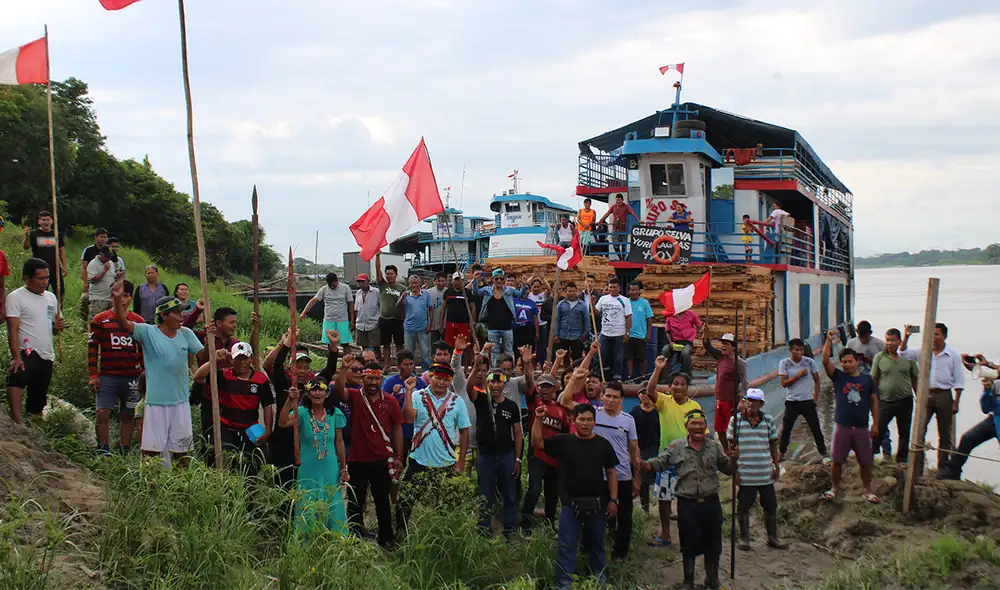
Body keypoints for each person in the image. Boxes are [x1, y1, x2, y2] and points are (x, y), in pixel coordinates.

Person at [640, 411, 733, 590]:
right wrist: (644, 464)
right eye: (694, 424)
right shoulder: (676, 447)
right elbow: (660, 462)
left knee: (713, 542)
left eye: (701, 424)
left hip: (711, 502)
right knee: (688, 543)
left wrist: (734, 459)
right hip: (687, 504)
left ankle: (712, 577)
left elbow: (728, 469)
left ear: (705, 426)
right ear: (686, 426)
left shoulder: (714, 447)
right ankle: (688, 580)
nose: (698, 427)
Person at [111, 281, 203, 462]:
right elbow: (123, 323)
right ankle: (151, 480)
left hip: (181, 402)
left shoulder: (186, 334)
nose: (182, 316)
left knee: (182, 453)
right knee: (151, 452)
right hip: (156, 403)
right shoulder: (148, 332)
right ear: (164, 315)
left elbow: (204, 355)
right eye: (177, 313)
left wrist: (215, 350)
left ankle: (182, 481)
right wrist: (117, 300)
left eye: (182, 312)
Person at [531, 398, 618, 590]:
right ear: (573, 420)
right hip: (570, 504)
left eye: (589, 420)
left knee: (597, 545)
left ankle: (598, 581)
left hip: (598, 503)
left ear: (594, 422)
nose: (585, 424)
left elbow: (611, 472)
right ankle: (564, 584)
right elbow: (538, 443)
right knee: (566, 545)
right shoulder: (564, 442)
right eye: (581, 419)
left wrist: (613, 499)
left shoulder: (603, 445)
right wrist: (538, 419)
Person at [559, 372, 639, 561]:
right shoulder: (593, 414)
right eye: (608, 396)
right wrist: (574, 378)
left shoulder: (628, 420)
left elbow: (634, 450)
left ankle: (620, 554)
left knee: (624, 517)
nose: (611, 400)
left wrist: (637, 478)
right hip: (598, 476)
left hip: (623, 475)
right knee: (594, 516)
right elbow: (565, 400)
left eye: (615, 397)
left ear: (622, 400)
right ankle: (590, 551)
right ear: (602, 396)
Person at [334, 351, 403, 548]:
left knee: (382, 501)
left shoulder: (390, 401)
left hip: (382, 459)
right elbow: (339, 391)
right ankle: (355, 536)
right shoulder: (355, 396)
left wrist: (398, 455)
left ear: (381, 380)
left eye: (377, 379)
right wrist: (343, 369)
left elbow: (397, 428)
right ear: (362, 379)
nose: (373, 382)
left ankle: (386, 537)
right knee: (355, 501)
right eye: (369, 378)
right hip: (358, 459)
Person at [262, 328, 337, 488]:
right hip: (282, 442)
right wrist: (287, 343)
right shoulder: (283, 383)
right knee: (282, 485)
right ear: (290, 368)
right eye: (298, 366)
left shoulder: (313, 388)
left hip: (305, 444)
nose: (301, 371)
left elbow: (329, 370)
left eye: (305, 367)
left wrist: (333, 347)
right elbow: (276, 364)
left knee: (304, 486)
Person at [399, 362, 471, 528]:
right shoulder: (417, 396)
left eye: (445, 379)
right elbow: (408, 419)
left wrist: (460, 461)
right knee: (405, 502)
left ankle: (443, 537)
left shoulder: (457, 401)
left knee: (447, 507)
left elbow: (464, 432)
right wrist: (408, 392)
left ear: (450, 381)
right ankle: (401, 535)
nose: (441, 383)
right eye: (437, 378)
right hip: (418, 460)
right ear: (430, 377)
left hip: (446, 463)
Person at [645, 357, 706, 548]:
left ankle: (689, 535)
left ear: (688, 387)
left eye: (682, 384)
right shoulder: (664, 402)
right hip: (667, 458)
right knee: (664, 498)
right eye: (675, 384)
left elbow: (703, 433)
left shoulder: (695, 407)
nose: (679, 387)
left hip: (689, 459)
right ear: (669, 387)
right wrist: (657, 368)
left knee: (688, 499)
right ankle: (665, 534)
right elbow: (649, 391)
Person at [279, 377, 349, 535]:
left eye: (321, 389)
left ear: (327, 393)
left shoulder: (334, 414)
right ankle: (306, 544)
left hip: (330, 468)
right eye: (314, 390)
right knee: (308, 506)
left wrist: (343, 468)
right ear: (308, 394)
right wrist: (289, 400)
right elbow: (282, 423)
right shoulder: (301, 412)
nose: (317, 393)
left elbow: (339, 442)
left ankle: (337, 542)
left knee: (333, 505)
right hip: (308, 469)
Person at [820, 331, 880, 503]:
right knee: (837, 460)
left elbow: (874, 401)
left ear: (857, 362)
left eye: (849, 361)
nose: (846, 365)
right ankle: (835, 488)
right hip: (842, 426)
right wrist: (828, 341)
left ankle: (867, 490)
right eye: (843, 362)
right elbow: (825, 361)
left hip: (861, 427)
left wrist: (876, 423)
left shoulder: (867, 380)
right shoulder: (838, 377)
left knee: (865, 461)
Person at [193, 342, 275, 463]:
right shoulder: (224, 375)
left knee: (252, 462)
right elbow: (198, 377)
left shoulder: (261, 380)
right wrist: (214, 360)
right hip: (227, 427)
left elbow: (267, 405)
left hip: (250, 429)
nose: (242, 362)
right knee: (227, 460)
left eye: (245, 358)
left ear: (251, 358)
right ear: (231, 359)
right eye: (238, 359)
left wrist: (268, 430)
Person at [6, 258, 65, 425]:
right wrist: (16, 357)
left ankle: (34, 425)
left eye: (47, 278)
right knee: (18, 378)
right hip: (26, 349)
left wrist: (58, 326)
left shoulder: (51, 298)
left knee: (38, 396)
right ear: (27, 278)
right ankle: (17, 421)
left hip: (46, 353)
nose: (45, 282)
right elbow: (13, 329)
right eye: (40, 278)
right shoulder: (16, 297)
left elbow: (52, 324)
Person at [88, 280, 144, 453]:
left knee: (128, 415)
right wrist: (93, 375)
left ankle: (124, 450)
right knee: (102, 412)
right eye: (117, 295)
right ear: (111, 297)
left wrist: (144, 375)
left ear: (130, 298)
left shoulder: (138, 321)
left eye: (125, 295)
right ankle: (103, 449)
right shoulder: (100, 319)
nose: (121, 299)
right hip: (108, 375)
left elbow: (142, 351)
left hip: (132, 376)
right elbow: (92, 349)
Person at [727, 388, 786, 551]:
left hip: (764, 471)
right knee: (744, 506)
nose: (751, 403)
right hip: (746, 472)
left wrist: (776, 465)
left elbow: (773, 444)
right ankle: (745, 539)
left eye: (755, 401)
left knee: (770, 505)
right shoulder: (736, 421)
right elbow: (731, 447)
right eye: (748, 400)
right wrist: (735, 470)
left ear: (761, 404)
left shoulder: (768, 420)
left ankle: (772, 537)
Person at [900, 323, 964, 470]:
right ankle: (918, 467)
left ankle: (943, 468)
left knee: (945, 434)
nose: (933, 338)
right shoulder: (923, 351)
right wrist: (906, 337)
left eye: (936, 334)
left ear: (944, 336)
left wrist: (956, 402)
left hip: (944, 394)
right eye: (931, 334)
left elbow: (959, 380)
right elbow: (903, 354)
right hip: (926, 394)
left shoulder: (952, 355)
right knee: (919, 431)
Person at [468, 366, 523, 536]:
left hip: (506, 455)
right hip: (486, 456)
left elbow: (518, 433)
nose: (496, 385)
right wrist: (475, 369)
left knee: (509, 494)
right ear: (488, 382)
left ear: (504, 383)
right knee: (485, 494)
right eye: (492, 381)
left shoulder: (511, 406)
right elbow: (469, 388)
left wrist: (518, 459)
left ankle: (510, 529)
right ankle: (484, 529)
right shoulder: (481, 400)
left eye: (499, 381)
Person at [521, 371, 571, 530]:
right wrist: (527, 365)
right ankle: (525, 523)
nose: (543, 390)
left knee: (552, 493)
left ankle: (550, 523)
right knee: (534, 489)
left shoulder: (561, 410)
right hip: (537, 455)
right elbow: (529, 384)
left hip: (554, 459)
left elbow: (566, 433)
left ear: (554, 389)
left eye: (547, 387)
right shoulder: (535, 403)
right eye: (541, 386)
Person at [938, 354, 999, 480]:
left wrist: (989, 366)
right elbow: (986, 408)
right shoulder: (997, 384)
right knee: (968, 439)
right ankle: (953, 471)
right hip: (995, 418)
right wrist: (987, 390)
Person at [870, 328, 918, 464]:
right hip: (885, 401)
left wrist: (919, 397)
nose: (889, 343)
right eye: (887, 340)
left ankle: (901, 460)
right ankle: (870, 456)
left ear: (899, 341)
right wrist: (873, 400)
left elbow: (915, 379)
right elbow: (874, 380)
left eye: (892, 340)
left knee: (904, 432)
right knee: (878, 429)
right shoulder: (879, 357)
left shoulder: (908, 358)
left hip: (905, 400)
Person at [777, 338, 828, 461]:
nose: (799, 352)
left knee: (816, 429)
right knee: (786, 429)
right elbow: (783, 383)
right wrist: (798, 375)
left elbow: (817, 380)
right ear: (790, 350)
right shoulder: (784, 363)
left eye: (801, 350)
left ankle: (823, 453)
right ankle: (781, 453)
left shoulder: (809, 362)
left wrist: (815, 397)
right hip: (792, 402)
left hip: (807, 401)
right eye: (796, 350)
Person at [702, 327, 748, 451]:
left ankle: (733, 450)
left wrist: (743, 400)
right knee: (719, 429)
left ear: (733, 347)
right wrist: (705, 334)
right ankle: (726, 451)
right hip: (719, 400)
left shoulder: (739, 363)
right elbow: (707, 346)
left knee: (731, 429)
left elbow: (744, 383)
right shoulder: (720, 357)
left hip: (731, 401)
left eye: (726, 344)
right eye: (722, 343)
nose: (723, 346)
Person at [382, 349, 425, 462]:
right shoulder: (390, 383)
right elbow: (382, 404)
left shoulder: (419, 382)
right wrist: (393, 394)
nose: (409, 367)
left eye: (411, 364)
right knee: (399, 461)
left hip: (416, 429)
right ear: (398, 366)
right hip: (398, 430)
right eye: (405, 365)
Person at [474, 268, 519, 366]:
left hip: (507, 327)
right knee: (494, 351)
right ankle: (495, 369)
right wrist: (475, 280)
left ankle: (510, 369)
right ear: (492, 279)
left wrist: (524, 284)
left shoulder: (509, 290)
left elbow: (521, 294)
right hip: (493, 327)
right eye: (496, 279)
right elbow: (476, 293)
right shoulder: (487, 290)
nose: (499, 281)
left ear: (504, 280)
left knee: (509, 350)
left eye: (501, 279)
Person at [22, 211, 67, 302]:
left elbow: (61, 251)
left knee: (59, 292)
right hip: (39, 269)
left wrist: (65, 267)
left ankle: (58, 309)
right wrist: (27, 236)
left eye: (47, 220)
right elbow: (26, 247)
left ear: (52, 221)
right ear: (39, 221)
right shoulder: (34, 234)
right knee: (40, 292)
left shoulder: (56, 234)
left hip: (55, 268)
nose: (46, 222)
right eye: (43, 220)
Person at [301, 273, 354, 346]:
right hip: (329, 320)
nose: (331, 287)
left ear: (336, 281)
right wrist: (303, 313)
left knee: (345, 344)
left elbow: (351, 304)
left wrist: (352, 320)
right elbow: (313, 300)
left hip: (343, 320)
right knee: (329, 344)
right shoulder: (324, 289)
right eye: (329, 285)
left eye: (333, 285)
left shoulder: (345, 288)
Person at [594, 277, 632, 381]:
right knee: (600, 355)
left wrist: (627, 333)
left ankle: (617, 376)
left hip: (619, 333)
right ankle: (597, 375)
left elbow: (628, 317)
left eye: (614, 287)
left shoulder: (624, 300)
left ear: (619, 288)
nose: (612, 289)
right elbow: (596, 313)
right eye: (610, 287)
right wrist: (592, 303)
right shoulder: (603, 299)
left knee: (618, 357)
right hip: (605, 333)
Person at [630, 390, 659, 515]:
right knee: (642, 480)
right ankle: (644, 508)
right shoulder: (635, 411)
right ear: (638, 396)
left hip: (654, 447)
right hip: (639, 448)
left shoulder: (658, 411)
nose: (644, 396)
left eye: (646, 393)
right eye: (642, 393)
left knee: (649, 479)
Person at [375, 253, 406, 370]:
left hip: (397, 320)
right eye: (387, 274)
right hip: (384, 320)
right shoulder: (383, 285)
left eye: (391, 274)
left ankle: (400, 365)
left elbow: (405, 306)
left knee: (399, 345)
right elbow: (378, 270)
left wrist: (404, 319)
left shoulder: (402, 288)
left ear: (396, 274)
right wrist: (377, 256)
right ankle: (386, 365)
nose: (389, 276)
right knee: (386, 345)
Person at [398, 275, 433, 369]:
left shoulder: (426, 294)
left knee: (425, 351)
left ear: (419, 283)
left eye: (416, 283)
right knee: (409, 352)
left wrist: (430, 324)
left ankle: (426, 371)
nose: (414, 285)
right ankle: (410, 371)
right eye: (412, 283)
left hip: (423, 327)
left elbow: (431, 309)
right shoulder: (405, 295)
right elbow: (397, 306)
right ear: (409, 284)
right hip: (409, 328)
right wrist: (402, 298)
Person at [553, 281, 590, 361]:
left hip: (577, 336)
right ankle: (567, 368)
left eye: (573, 291)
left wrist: (584, 335)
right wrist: (556, 334)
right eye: (569, 291)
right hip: (563, 335)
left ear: (576, 292)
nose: (571, 293)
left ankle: (576, 368)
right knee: (564, 357)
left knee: (577, 358)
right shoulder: (561, 304)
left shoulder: (582, 305)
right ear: (566, 292)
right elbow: (557, 320)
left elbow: (586, 321)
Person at [442, 272, 475, 357]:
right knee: (448, 344)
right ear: (452, 281)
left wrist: (472, 322)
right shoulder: (448, 292)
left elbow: (473, 308)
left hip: (463, 323)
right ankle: (450, 362)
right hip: (450, 323)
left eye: (460, 280)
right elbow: (443, 308)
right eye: (456, 280)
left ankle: (464, 364)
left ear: (463, 281)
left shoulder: (467, 293)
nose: (457, 282)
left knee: (464, 344)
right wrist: (441, 323)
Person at [598, 193, 640, 260]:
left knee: (623, 244)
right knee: (615, 244)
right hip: (615, 228)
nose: (618, 201)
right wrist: (600, 222)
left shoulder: (626, 206)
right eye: (617, 200)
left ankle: (623, 258)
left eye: (619, 200)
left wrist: (639, 221)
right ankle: (620, 257)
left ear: (622, 200)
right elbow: (607, 214)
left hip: (624, 228)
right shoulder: (614, 206)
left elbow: (633, 213)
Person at [80, 227, 110, 319]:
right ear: (96, 237)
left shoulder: (109, 251)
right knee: (84, 300)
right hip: (92, 280)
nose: (103, 239)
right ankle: (84, 321)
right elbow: (84, 267)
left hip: (107, 284)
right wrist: (85, 283)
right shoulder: (88, 250)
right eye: (101, 237)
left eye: (105, 237)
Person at [625, 281, 654, 378]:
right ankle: (630, 376)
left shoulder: (644, 303)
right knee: (629, 357)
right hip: (628, 335)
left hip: (641, 335)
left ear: (639, 291)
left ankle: (643, 376)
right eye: (631, 290)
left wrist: (648, 334)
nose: (633, 292)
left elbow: (649, 318)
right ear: (628, 291)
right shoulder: (626, 302)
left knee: (642, 358)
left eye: (635, 290)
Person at [663, 308, 702, 378]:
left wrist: (694, 333)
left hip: (687, 341)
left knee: (685, 353)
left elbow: (699, 325)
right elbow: (667, 331)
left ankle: (687, 376)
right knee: (665, 350)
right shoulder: (670, 316)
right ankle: (665, 376)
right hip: (675, 342)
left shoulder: (691, 314)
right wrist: (670, 342)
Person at [352, 273, 381, 356]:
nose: (361, 283)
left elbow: (381, 306)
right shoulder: (358, 293)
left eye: (363, 281)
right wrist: (355, 321)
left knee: (376, 345)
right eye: (359, 282)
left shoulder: (376, 291)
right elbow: (356, 309)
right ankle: (366, 359)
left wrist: (380, 320)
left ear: (368, 281)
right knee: (363, 345)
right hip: (361, 323)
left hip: (373, 322)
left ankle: (379, 358)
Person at [86, 246, 117, 320]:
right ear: (101, 254)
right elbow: (92, 280)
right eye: (107, 256)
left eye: (110, 256)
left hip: (110, 298)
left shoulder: (110, 263)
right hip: (98, 298)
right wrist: (104, 271)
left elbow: (112, 276)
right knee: (96, 320)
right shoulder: (93, 264)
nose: (108, 258)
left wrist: (117, 276)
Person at [526, 276, 550, 363]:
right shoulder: (528, 295)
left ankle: (542, 364)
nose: (536, 288)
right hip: (531, 324)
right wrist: (533, 276)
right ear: (531, 287)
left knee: (542, 346)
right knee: (531, 345)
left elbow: (549, 288)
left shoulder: (543, 295)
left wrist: (543, 279)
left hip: (543, 324)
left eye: (538, 286)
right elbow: (526, 284)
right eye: (534, 286)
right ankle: (532, 363)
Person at [426, 272, 448, 344]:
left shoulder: (448, 292)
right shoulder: (428, 292)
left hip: (445, 325)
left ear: (446, 281)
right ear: (434, 281)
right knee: (433, 345)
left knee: (446, 345)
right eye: (439, 281)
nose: (441, 283)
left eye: (443, 281)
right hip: (432, 325)